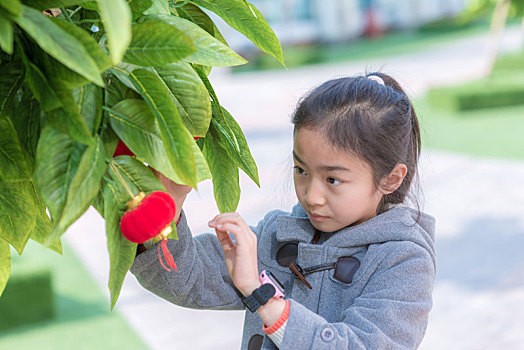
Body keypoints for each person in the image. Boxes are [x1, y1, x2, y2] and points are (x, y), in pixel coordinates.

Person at [130, 72, 436, 350]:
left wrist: (260, 294)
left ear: (390, 178)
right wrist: (169, 201)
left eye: (333, 179)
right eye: (301, 170)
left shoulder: (404, 261)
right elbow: (184, 281)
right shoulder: (277, 236)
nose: (312, 196)